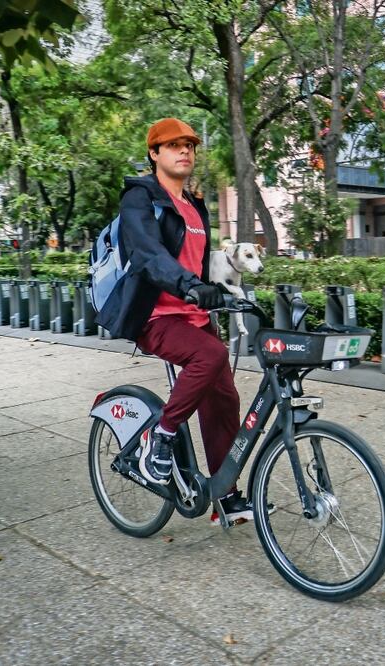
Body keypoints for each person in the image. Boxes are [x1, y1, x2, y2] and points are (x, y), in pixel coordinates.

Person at [97, 117, 253, 524]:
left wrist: (223, 294)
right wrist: (188, 285)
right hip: (154, 315)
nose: (185, 151)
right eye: (173, 145)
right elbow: (149, 255)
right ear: (154, 154)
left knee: (224, 398)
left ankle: (225, 496)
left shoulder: (195, 205)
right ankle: (160, 438)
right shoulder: (139, 198)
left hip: (192, 315)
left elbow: (198, 266)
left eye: (190, 145)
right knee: (210, 355)